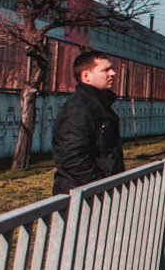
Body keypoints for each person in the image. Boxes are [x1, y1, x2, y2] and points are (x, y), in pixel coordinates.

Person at [51, 50, 125, 195]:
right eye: (106, 70)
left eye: (111, 68)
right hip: (82, 196)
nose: (113, 73)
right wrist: (101, 186)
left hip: (94, 194)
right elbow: (73, 158)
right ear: (86, 76)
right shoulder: (80, 108)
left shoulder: (98, 104)